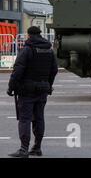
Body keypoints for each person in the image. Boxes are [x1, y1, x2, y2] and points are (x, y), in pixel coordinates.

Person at [7, 26, 58, 158]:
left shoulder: (27, 50)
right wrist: (48, 84)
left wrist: (11, 87)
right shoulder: (48, 50)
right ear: (40, 34)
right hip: (42, 90)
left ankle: (24, 149)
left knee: (25, 119)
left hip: (27, 90)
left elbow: (17, 71)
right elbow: (54, 70)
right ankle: (37, 147)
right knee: (39, 118)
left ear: (29, 35)